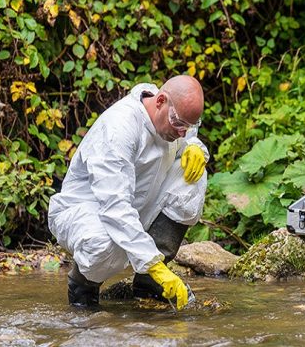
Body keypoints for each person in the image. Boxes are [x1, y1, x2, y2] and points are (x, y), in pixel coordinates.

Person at [48, 75, 208, 310]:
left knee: (193, 173)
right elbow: (115, 207)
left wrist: (195, 147)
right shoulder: (120, 128)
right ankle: (83, 286)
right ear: (160, 101)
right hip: (89, 212)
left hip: (138, 204)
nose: (182, 132)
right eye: (178, 124)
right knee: (102, 242)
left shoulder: (171, 120)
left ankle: (148, 282)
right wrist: (152, 263)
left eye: (189, 126)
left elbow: (187, 133)